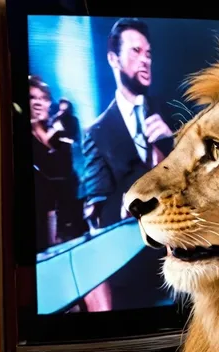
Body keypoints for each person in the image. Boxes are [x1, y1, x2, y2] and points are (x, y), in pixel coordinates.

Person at [83, 18, 174, 232]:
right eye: (136, 51)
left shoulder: (170, 109)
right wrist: (127, 207)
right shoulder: (96, 133)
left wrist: (173, 143)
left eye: (148, 54)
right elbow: (98, 212)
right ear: (113, 59)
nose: (145, 60)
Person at [29, 77, 82, 251]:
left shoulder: (59, 133)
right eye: (32, 97)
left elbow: (64, 169)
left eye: (43, 98)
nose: (38, 103)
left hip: (68, 219)